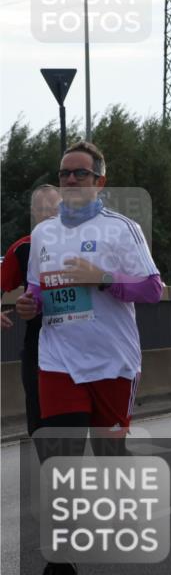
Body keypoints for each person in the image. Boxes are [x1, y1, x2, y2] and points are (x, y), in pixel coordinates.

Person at [15, 141, 163, 575]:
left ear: (100, 181)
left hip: (112, 362)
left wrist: (100, 277)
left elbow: (153, 290)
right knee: (61, 460)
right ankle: (61, 559)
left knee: (106, 458)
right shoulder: (43, 235)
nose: (71, 181)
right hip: (58, 359)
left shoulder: (122, 229)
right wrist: (28, 303)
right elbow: (39, 291)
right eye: (64, 175)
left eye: (80, 174)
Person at [1, 185, 62, 437]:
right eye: (41, 209)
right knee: (38, 409)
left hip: (80, 341)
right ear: (33, 213)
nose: (47, 214)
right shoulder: (22, 248)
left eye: (53, 209)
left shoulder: (82, 242)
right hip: (38, 340)